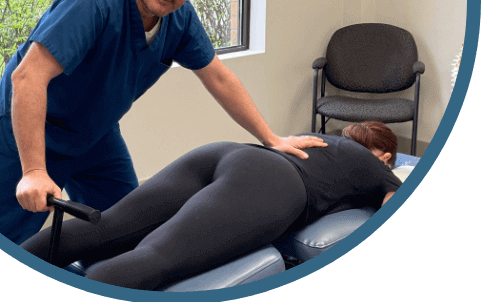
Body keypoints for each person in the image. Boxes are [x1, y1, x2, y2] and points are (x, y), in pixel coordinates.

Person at [0, 0, 326, 245]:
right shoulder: (95, 0)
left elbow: (217, 76)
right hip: (31, 129)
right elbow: (27, 77)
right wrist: (33, 170)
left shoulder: (179, 19)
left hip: (95, 134)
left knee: (125, 226)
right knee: (1, 235)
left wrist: (271, 138)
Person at [20, 121, 403, 290]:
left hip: (225, 153)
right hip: (271, 185)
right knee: (157, 256)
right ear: (386, 155)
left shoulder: (319, 140)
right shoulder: (380, 168)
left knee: (107, 225)